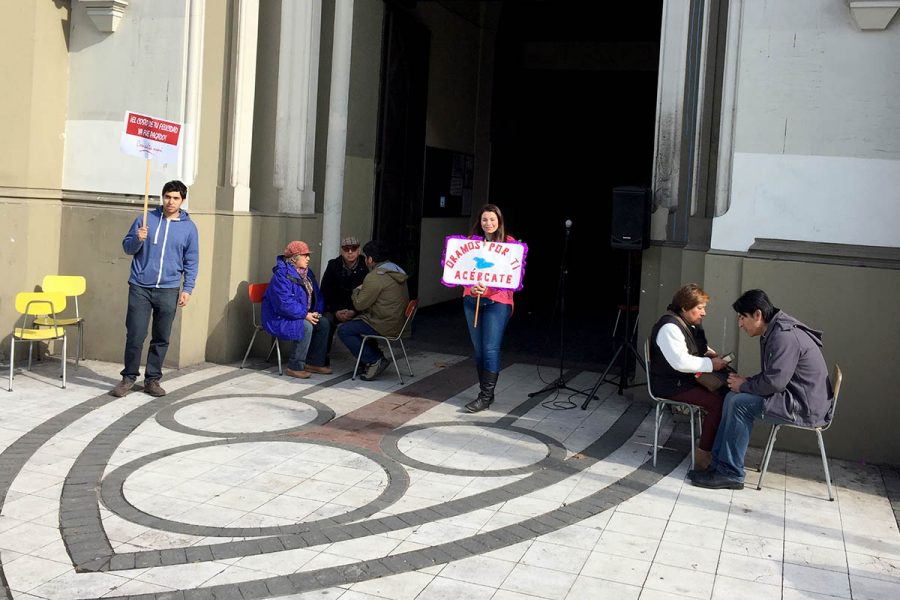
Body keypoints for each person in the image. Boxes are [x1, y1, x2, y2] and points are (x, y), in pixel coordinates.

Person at [690, 289, 832, 490]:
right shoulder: (774, 330)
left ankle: (730, 473)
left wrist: (745, 385)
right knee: (732, 397)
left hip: (803, 406)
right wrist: (746, 382)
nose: (740, 324)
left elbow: (775, 382)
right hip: (794, 397)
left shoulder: (783, 336)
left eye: (742, 318)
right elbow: (774, 375)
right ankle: (718, 465)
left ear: (758, 314)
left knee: (739, 404)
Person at [110, 180, 199, 398]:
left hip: (168, 288)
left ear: (182, 201)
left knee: (161, 337)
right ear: (162, 197)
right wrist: (138, 239)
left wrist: (187, 288)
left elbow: (192, 260)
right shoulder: (145, 218)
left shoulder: (189, 228)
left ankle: (152, 380)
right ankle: (128, 377)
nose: (171, 201)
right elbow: (127, 247)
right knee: (135, 334)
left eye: (176, 198)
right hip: (140, 286)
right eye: (167, 196)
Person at [649, 284, 730, 470]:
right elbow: (681, 362)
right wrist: (711, 364)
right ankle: (703, 458)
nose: (704, 313)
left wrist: (711, 354)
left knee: (724, 394)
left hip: (683, 380)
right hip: (670, 384)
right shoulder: (669, 327)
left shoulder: (688, 324)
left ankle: (714, 447)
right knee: (717, 403)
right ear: (685, 308)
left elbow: (694, 347)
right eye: (699, 308)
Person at [462, 204, 517, 413]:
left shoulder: (509, 244)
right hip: (471, 300)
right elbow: (461, 271)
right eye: (485, 220)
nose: (489, 223)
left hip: (498, 302)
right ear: (480, 222)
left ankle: (484, 397)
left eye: (493, 220)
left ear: (499, 222)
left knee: (490, 348)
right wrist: (471, 286)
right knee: (478, 351)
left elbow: (512, 276)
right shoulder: (471, 244)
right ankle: (488, 394)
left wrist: (489, 287)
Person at [338, 240, 409, 381]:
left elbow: (359, 305)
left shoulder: (375, 277)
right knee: (360, 323)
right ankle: (376, 358)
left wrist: (356, 290)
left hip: (384, 323)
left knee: (344, 330)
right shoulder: (396, 269)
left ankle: (374, 360)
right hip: (398, 322)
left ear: (370, 259)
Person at [261, 241, 332, 379]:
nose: (308, 258)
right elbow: (284, 303)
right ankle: (295, 366)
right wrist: (305, 315)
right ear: (294, 258)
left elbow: (317, 295)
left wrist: (316, 311)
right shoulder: (281, 275)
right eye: (305, 255)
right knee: (305, 326)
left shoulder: (308, 274)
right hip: (279, 316)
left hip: (298, 314)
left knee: (323, 322)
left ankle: (314, 362)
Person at [319, 235, 368, 364]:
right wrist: (336, 311)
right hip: (335, 308)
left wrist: (353, 311)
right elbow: (324, 292)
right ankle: (320, 359)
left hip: (358, 309)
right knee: (326, 321)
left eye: (354, 249)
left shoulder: (366, 265)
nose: (350, 252)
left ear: (359, 250)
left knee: (366, 324)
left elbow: (369, 295)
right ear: (342, 251)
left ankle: (368, 360)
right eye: (346, 249)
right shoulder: (333, 265)